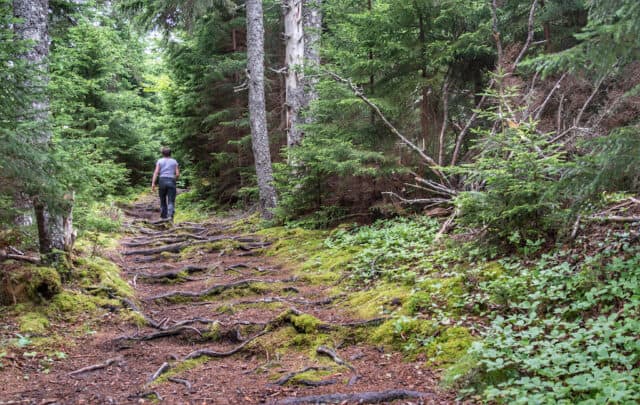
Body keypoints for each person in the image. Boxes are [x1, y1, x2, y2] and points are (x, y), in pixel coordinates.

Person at [151, 147, 180, 220]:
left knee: (163, 199)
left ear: (162, 153)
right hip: (171, 180)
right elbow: (177, 174)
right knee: (171, 200)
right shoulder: (174, 161)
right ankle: (170, 217)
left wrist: (153, 183)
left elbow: (156, 172)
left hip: (162, 180)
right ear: (170, 153)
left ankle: (163, 217)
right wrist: (174, 179)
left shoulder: (159, 161)